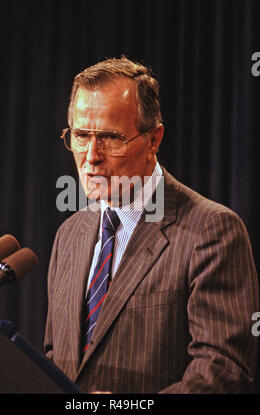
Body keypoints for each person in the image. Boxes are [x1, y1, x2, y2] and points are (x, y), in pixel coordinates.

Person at [44, 56, 259, 393]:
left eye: (111, 138)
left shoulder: (211, 231)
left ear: (154, 140)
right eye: (81, 135)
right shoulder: (69, 234)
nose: (91, 156)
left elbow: (223, 371)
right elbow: (57, 357)